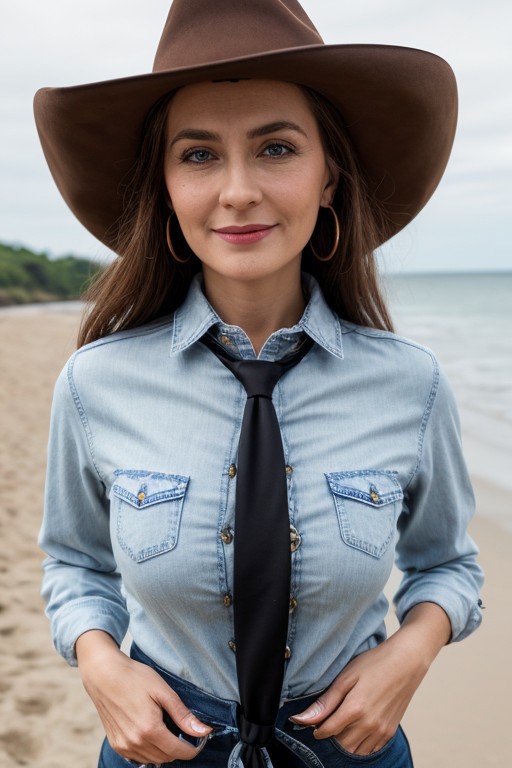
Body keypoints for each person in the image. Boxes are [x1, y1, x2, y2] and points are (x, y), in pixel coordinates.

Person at [35, 1, 484, 766]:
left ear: (329, 176)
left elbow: (449, 565)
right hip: (159, 750)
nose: (237, 191)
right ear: (166, 186)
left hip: (353, 750)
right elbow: (73, 562)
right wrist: (102, 665)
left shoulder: (411, 385)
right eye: (199, 155)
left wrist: (409, 654)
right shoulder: (95, 383)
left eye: (276, 147)